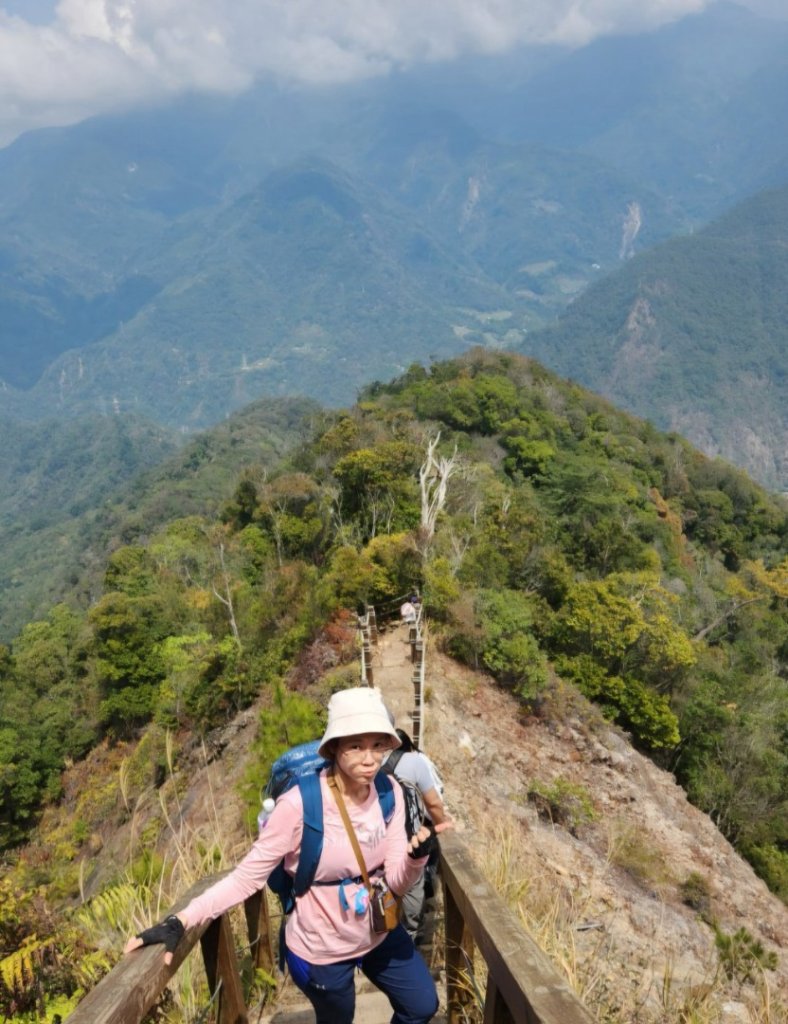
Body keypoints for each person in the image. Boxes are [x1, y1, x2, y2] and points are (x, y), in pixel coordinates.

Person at [124, 687, 446, 1024]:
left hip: (378, 930)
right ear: (334, 747)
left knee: (422, 1004)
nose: (370, 759)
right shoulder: (298, 805)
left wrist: (415, 860)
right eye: (356, 746)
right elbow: (246, 878)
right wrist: (182, 919)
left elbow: (394, 880)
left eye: (377, 745)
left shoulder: (388, 791)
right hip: (321, 947)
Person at [382, 729, 450, 941]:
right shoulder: (415, 760)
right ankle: (411, 934)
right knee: (411, 884)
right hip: (406, 837)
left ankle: (382, 933)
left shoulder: (367, 761)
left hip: (375, 838)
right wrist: (443, 825)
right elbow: (433, 803)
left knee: (381, 884)